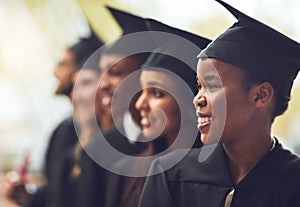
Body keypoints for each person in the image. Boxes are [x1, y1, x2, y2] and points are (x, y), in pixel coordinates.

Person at [138, 0, 300, 206]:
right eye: (199, 86)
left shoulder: (294, 184)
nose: (198, 99)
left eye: (212, 86)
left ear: (260, 95)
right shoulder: (171, 174)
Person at [103, 8, 211, 207]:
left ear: (191, 101)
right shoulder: (127, 170)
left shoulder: (217, 177)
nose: (139, 104)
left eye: (157, 93)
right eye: (142, 90)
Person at [2, 32, 103, 207]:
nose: (54, 71)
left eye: (62, 64)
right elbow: (57, 193)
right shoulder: (65, 129)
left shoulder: (104, 138)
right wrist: (27, 196)